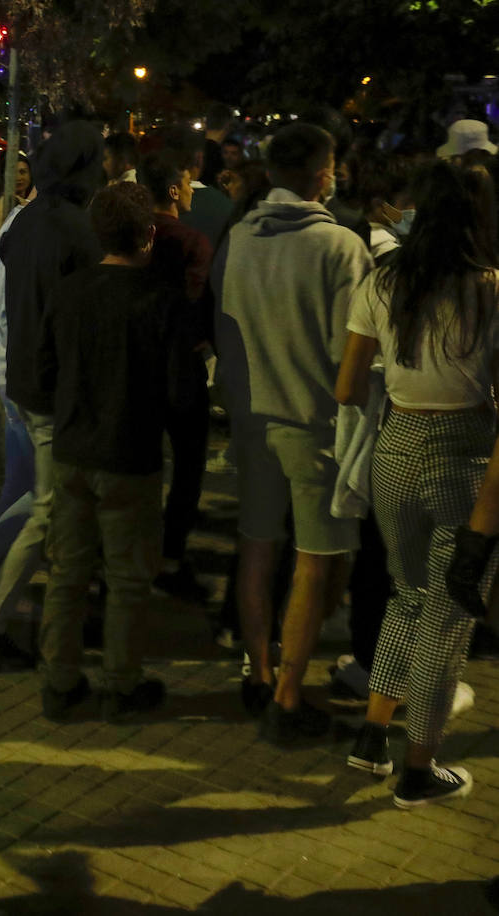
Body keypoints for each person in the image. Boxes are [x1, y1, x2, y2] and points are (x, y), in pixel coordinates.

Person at [336, 161, 498, 807]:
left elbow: (347, 387)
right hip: (465, 458)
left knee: (406, 595)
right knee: (448, 618)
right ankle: (418, 770)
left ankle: (372, 735)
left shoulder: (382, 282)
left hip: (395, 449)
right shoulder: (490, 290)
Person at [213, 122, 372, 744]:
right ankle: (289, 695)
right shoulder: (340, 249)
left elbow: (225, 331)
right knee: (316, 559)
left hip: (252, 420)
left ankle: (259, 670)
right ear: (323, 173)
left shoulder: (238, 238)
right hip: (313, 426)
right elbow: (349, 355)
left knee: (256, 544)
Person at [0, 122, 104, 644]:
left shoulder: (19, 221)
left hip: (14, 370)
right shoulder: (75, 229)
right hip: (47, 380)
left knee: (26, 487)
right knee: (45, 496)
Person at [38, 181, 170, 722]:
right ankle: (120, 684)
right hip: (129, 454)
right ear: (150, 235)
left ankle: (59, 681)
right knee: (128, 579)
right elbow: (179, 387)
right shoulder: (159, 299)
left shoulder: (69, 292)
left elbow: (44, 371)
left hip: (71, 450)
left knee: (67, 573)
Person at [140, 150, 214, 603]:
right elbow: (196, 303)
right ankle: (170, 556)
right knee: (188, 466)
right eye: (187, 183)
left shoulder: (133, 237)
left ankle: (134, 553)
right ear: (172, 189)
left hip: (139, 366)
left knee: (143, 463)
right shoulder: (192, 242)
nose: (191, 191)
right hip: (181, 368)